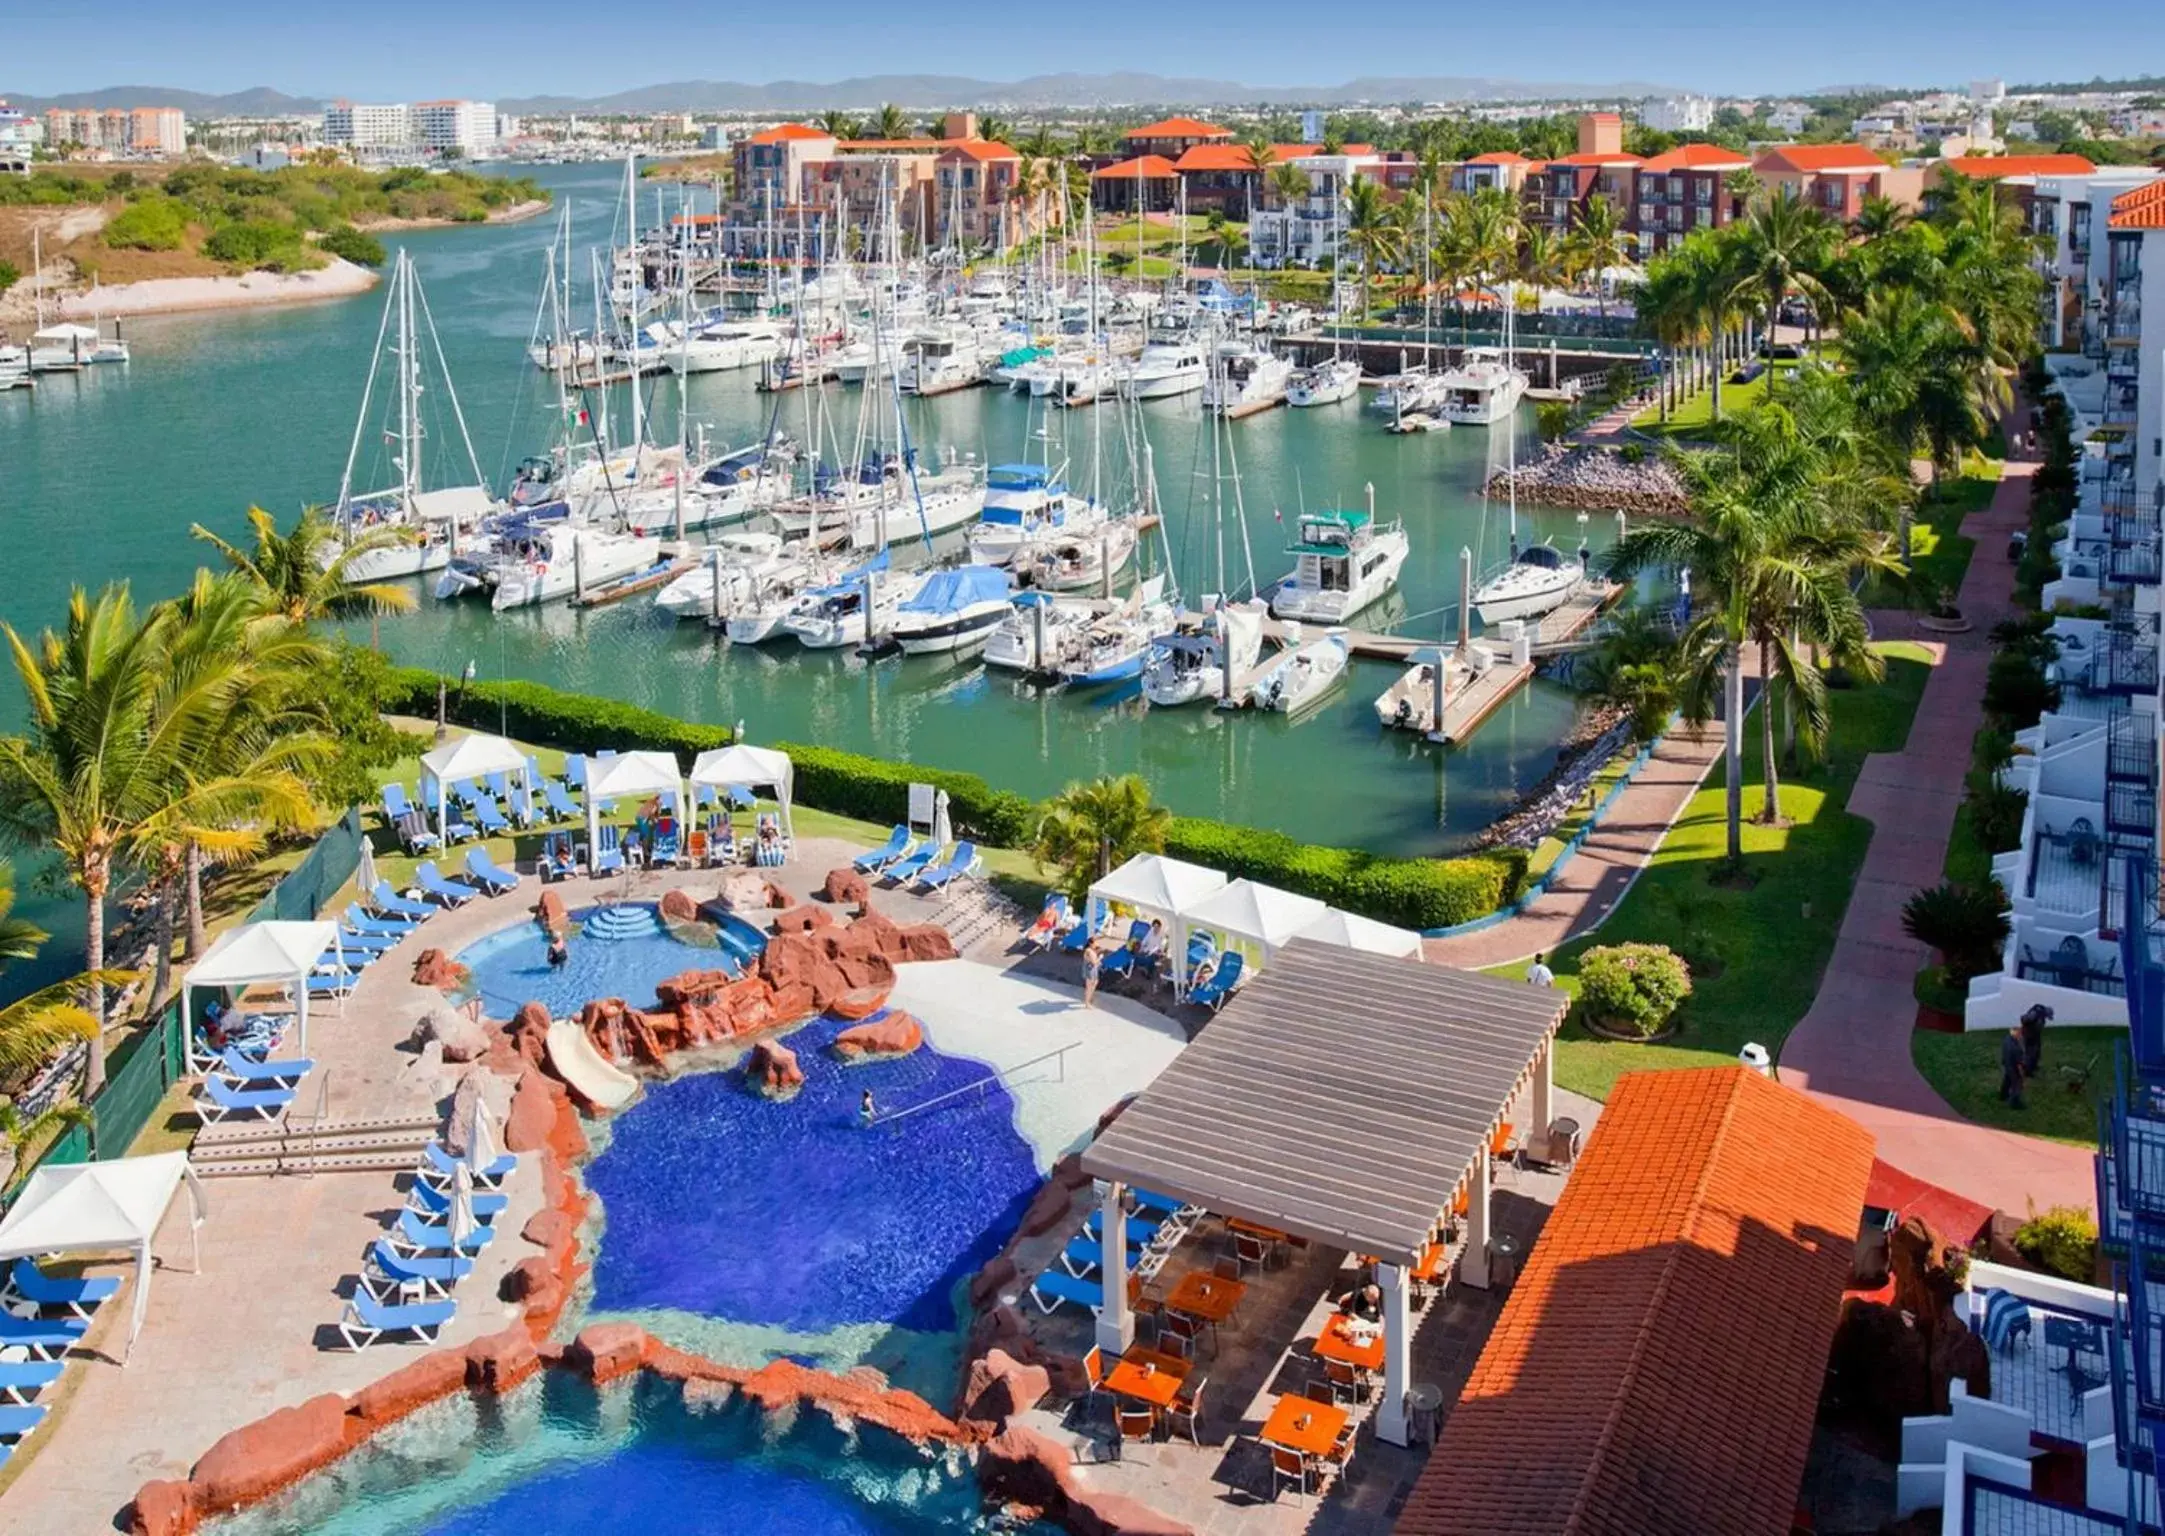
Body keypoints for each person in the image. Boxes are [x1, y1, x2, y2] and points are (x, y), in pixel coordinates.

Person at [1999, 1024, 2028, 1109]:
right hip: (2014, 1068)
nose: (2021, 1035)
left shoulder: (2006, 1039)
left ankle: (2003, 1096)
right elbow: (2019, 1063)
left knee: (2007, 1081)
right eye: (2019, 1033)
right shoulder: (2016, 1048)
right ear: (2016, 1033)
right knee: (2016, 1086)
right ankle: (2015, 1103)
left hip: (2007, 1065)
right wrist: (2022, 1074)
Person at [2021, 1003, 2053, 1078]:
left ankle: (2034, 1066)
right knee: (2030, 1053)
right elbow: (2024, 1019)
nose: (2047, 1018)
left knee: (2037, 1051)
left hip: (2035, 1035)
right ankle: (2027, 1071)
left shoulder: (2042, 1015)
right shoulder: (2036, 1013)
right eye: (2047, 1016)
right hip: (2029, 1035)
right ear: (2046, 1012)